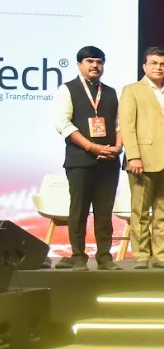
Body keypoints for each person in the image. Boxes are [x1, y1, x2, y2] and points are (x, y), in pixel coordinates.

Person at [52, 45, 123, 271]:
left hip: (108, 161)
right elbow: (62, 124)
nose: (95, 66)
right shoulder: (67, 89)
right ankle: (78, 256)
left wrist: (118, 147)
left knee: (104, 212)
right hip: (80, 160)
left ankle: (105, 257)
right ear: (79, 65)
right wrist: (91, 146)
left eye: (99, 62)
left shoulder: (111, 92)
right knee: (79, 210)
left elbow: (120, 125)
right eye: (90, 61)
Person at [119, 46, 164, 270]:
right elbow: (127, 125)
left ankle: (161, 257)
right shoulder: (132, 90)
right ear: (144, 66)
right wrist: (133, 156)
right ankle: (141, 256)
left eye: (163, 64)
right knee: (141, 211)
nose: (158, 67)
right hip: (142, 159)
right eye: (153, 63)